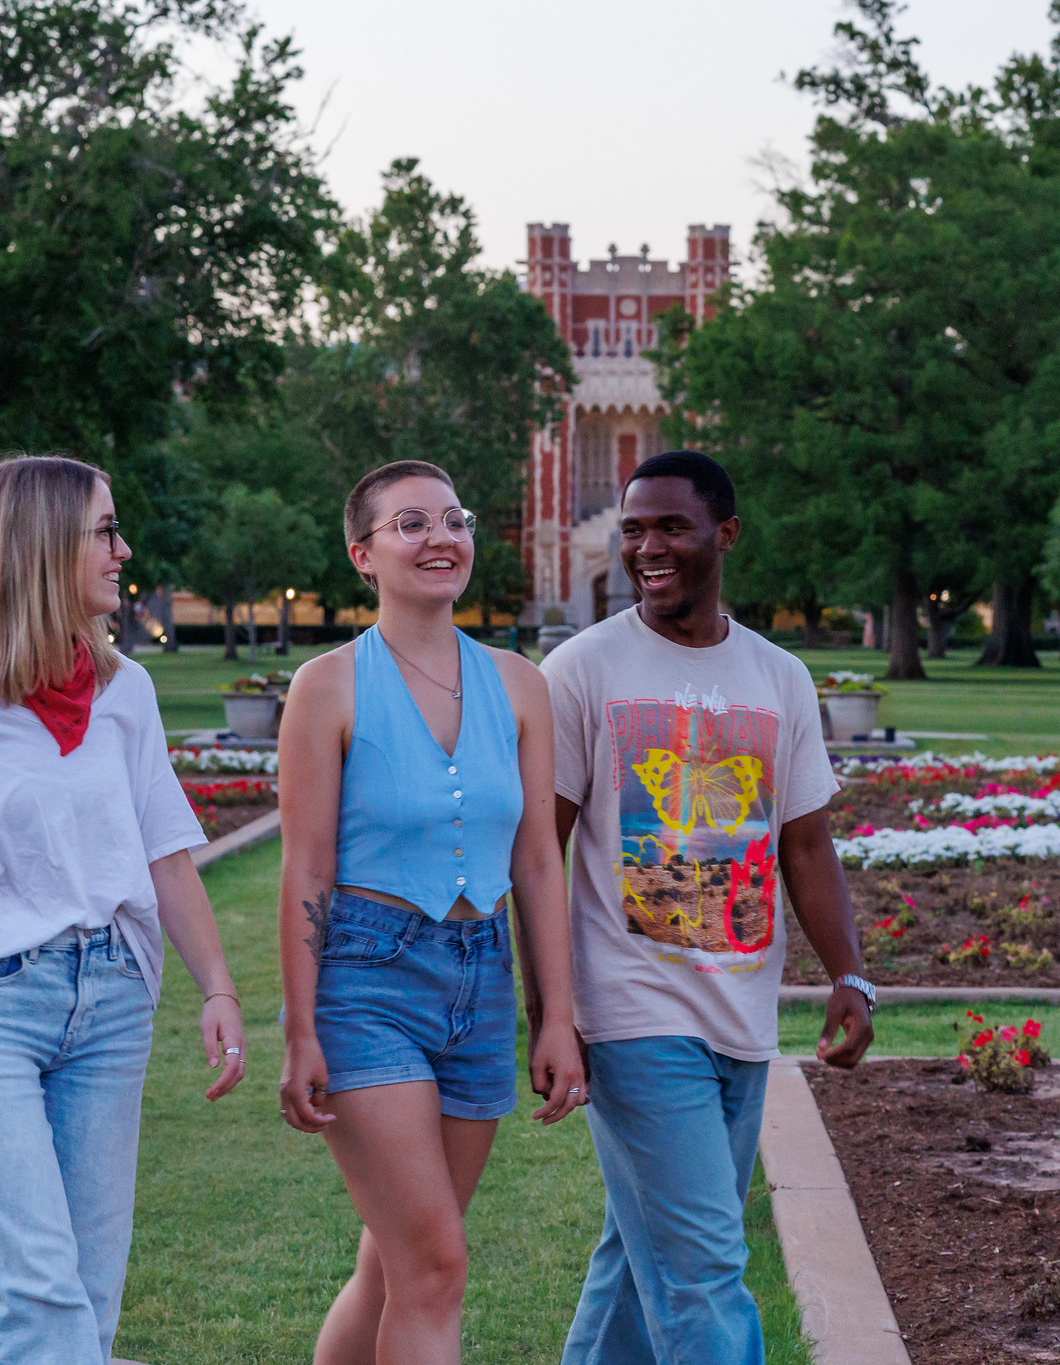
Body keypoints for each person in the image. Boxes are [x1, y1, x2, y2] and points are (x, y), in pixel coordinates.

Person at [0, 454, 247, 1365]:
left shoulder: (126, 694)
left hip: (110, 1005)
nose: (123, 549)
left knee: (83, 1297)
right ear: (40, 545)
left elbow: (166, 852)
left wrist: (216, 985)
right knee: (36, 1290)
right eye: (104, 530)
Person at [538, 449, 877, 1365]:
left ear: (724, 536)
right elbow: (540, 848)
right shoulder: (582, 669)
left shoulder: (779, 677)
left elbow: (804, 843)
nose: (648, 546)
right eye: (634, 528)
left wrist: (849, 974)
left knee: (639, 1255)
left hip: (740, 1010)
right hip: (632, 1013)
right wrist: (552, 1012)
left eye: (671, 527)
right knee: (703, 1274)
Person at [276, 459, 589, 1365]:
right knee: (435, 1264)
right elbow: (307, 867)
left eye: (453, 518)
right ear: (361, 555)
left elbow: (536, 856)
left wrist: (555, 1017)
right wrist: (301, 1031)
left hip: (482, 982)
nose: (440, 537)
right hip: (367, 984)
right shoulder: (327, 686)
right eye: (410, 524)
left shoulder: (521, 684)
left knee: (394, 1263)